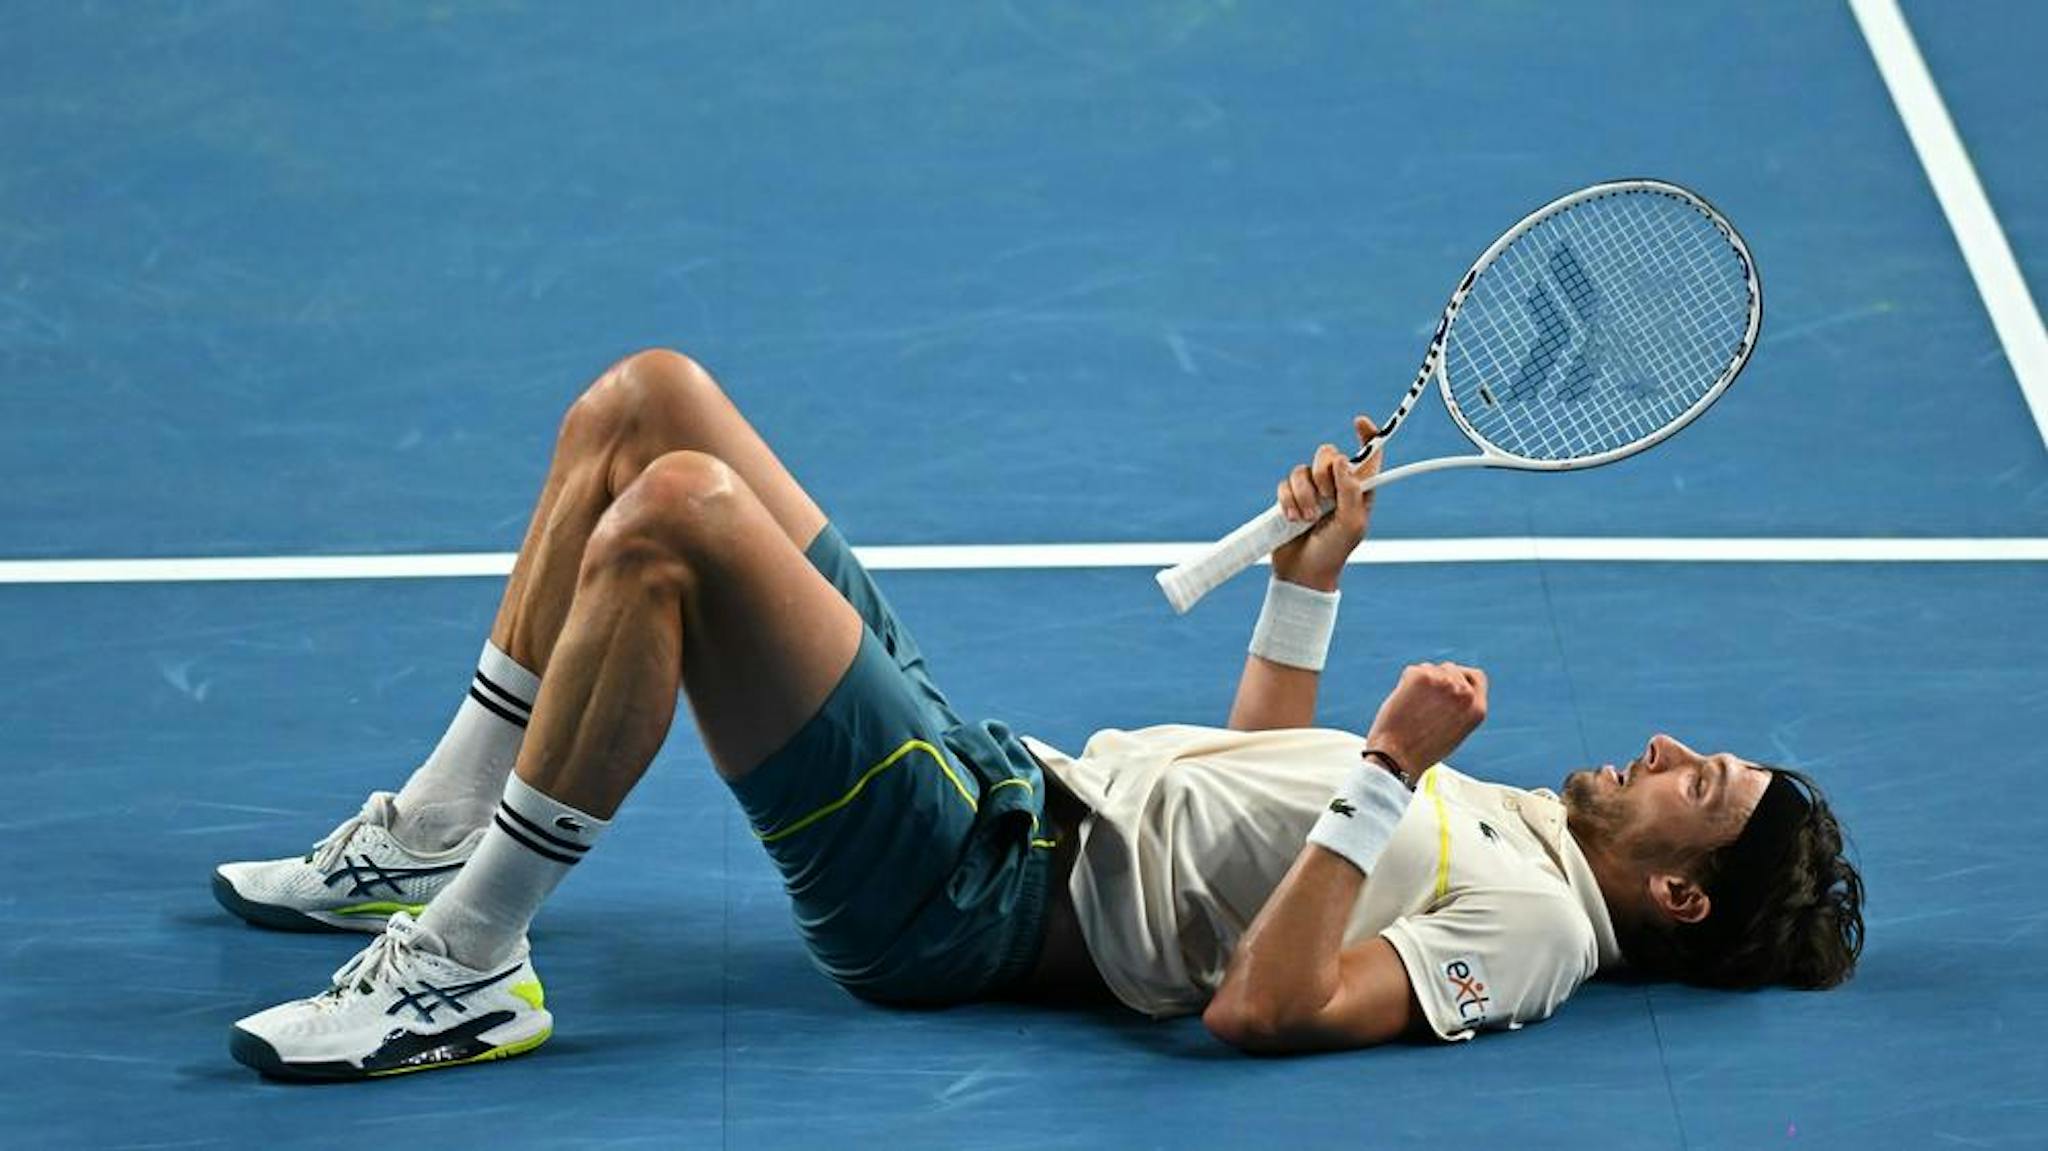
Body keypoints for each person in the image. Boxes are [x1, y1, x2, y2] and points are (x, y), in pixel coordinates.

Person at [217, 349, 1865, 1079]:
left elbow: (1263, 1012)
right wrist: (1311, 582)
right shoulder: (1510, 826)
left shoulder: (1532, 935)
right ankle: (428, 837)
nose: (1660, 752)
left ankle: (465, 966)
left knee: (676, 519)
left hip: (972, 896)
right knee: (649, 399)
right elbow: (1251, 787)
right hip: (1002, 771)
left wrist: (1386, 770)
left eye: (1693, 784)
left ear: (1680, 894)